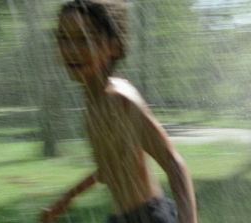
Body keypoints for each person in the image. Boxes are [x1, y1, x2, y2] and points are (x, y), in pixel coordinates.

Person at [41, 0, 197, 222]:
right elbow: (108, 169)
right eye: (63, 38)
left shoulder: (119, 99)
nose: (71, 50)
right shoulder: (94, 102)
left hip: (148, 217)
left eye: (84, 39)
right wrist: (65, 200)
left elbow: (174, 163)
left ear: (113, 46)